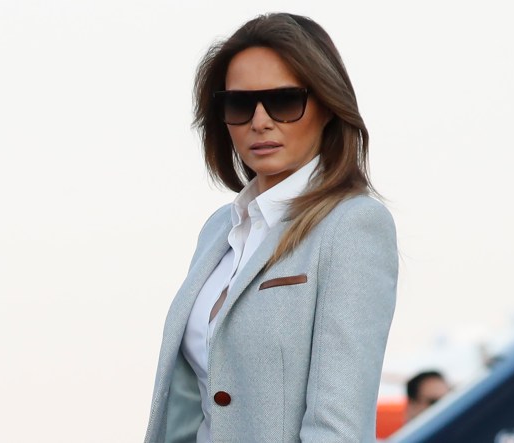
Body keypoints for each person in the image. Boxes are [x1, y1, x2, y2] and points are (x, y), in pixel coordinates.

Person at [144, 13, 398, 443]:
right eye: (240, 105)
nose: (260, 121)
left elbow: (339, 427)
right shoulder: (219, 231)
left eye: (283, 101)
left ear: (327, 107)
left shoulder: (353, 226)